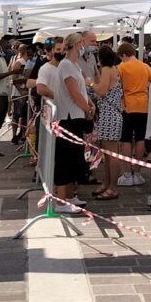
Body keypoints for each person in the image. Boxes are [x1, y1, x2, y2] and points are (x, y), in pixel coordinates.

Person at [50, 32, 94, 214]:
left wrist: (88, 104)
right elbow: (74, 93)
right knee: (65, 160)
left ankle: (68, 196)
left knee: (74, 158)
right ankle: (61, 201)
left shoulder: (74, 65)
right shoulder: (67, 65)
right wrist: (88, 108)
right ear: (77, 45)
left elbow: (82, 90)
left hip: (76, 117)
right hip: (68, 118)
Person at [89, 45, 124, 200]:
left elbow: (101, 91)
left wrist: (89, 83)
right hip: (111, 114)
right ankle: (108, 184)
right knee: (108, 153)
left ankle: (112, 188)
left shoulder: (106, 70)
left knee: (111, 154)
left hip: (109, 115)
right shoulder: (114, 69)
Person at [116, 41, 151, 186]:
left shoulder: (121, 67)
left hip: (127, 106)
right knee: (140, 139)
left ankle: (126, 173)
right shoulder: (145, 67)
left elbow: (118, 86)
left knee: (125, 139)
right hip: (143, 105)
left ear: (123, 55)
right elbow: (150, 82)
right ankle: (137, 171)